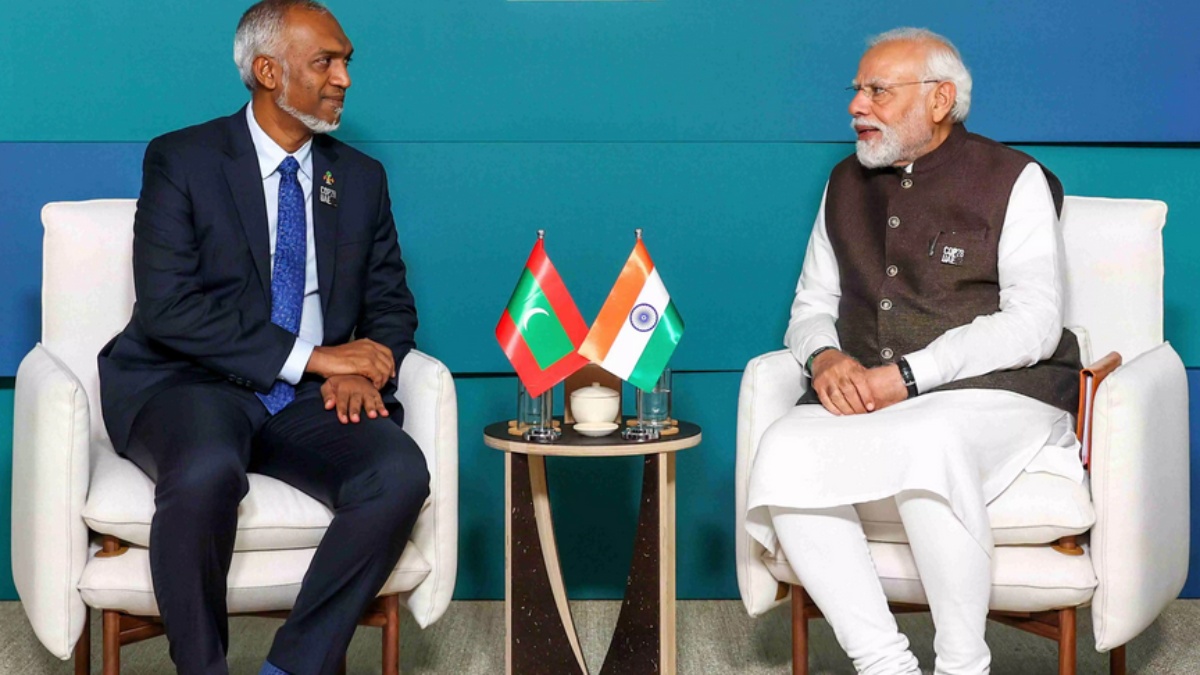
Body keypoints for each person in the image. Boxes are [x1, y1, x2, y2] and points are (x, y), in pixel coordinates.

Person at [97, 2, 429, 673]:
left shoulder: (359, 178)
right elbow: (168, 309)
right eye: (325, 62)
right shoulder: (182, 159)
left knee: (398, 472)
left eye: (346, 62)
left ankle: (293, 665)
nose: (344, 78)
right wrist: (317, 357)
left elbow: (391, 304)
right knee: (205, 471)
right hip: (189, 381)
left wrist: (363, 370)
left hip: (306, 398)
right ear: (269, 72)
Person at [746, 28, 1084, 675]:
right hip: (876, 392)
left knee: (928, 438)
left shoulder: (1015, 178)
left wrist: (909, 375)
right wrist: (824, 358)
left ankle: (963, 663)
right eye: (857, 90)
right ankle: (884, 663)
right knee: (784, 445)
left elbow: (1035, 323)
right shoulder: (843, 183)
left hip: (1002, 390)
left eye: (878, 90)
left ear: (939, 100)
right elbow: (812, 304)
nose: (857, 105)